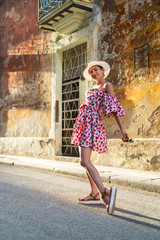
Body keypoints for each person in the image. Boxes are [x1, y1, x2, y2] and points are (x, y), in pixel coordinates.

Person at [71, 61, 129, 215]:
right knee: (84, 162)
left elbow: (114, 108)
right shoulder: (91, 88)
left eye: (95, 70)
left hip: (92, 123)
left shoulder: (107, 86)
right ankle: (94, 193)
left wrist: (122, 130)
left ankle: (104, 192)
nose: (94, 73)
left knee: (84, 161)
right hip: (83, 122)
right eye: (91, 72)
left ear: (102, 70)